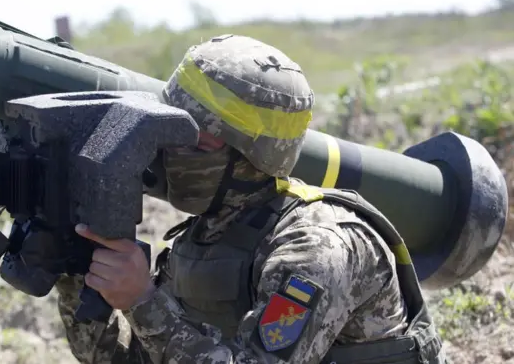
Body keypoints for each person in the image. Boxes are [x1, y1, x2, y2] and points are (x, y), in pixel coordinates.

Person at [55, 34, 447, 364]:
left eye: (191, 140)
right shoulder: (207, 234)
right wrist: (75, 268)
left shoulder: (316, 247)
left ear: (249, 158)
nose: (167, 151)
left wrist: (142, 301)